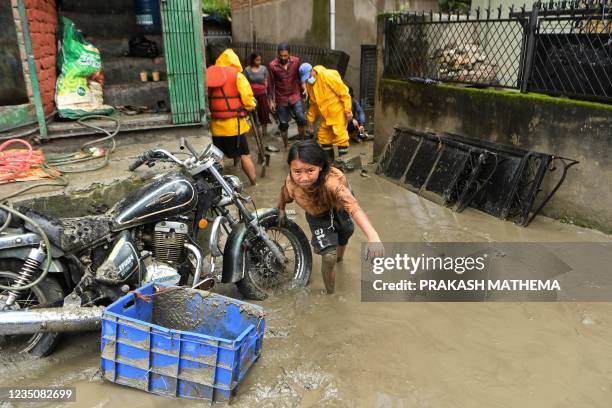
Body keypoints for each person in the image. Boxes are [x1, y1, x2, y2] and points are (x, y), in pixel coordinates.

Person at [277, 140, 384, 294]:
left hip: (338, 205)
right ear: (290, 169)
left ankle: (340, 258)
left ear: (320, 167)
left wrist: (373, 236)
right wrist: (281, 209)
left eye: (310, 170)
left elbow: (353, 208)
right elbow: (284, 194)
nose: (303, 177)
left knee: (345, 232)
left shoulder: (332, 183)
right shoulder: (291, 183)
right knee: (328, 257)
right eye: (297, 171)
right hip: (317, 214)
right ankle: (330, 293)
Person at [207, 48, 257, 185]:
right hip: (234, 126)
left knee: (218, 157)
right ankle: (254, 183)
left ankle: (218, 185)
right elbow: (247, 99)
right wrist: (251, 106)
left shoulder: (210, 74)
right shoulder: (237, 76)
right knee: (245, 155)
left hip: (216, 126)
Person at [299, 62, 352, 160]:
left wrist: (348, 110)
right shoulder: (310, 85)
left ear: (313, 71)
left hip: (337, 113)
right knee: (323, 138)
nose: (308, 79)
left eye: (309, 75)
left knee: (341, 137)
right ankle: (330, 164)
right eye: (306, 78)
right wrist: (310, 121)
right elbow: (314, 105)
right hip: (326, 116)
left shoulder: (328, 75)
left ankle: (344, 164)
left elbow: (344, 93)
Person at [268, 43, 308, 147]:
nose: (283, 58)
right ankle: (286, 145)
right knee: (283, 124)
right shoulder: (272, 66)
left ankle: (303, 142)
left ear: (289, 54)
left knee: (301, 118)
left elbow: (300, 77)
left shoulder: (296, 61)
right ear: (278, 54)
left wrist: (304, 87)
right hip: (281, 98)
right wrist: (271, 101)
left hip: (295, 95)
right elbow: (271, 84)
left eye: (285, 56)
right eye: (281, 55)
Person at [244, 52, 272, 137]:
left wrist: (269, 97)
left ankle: (264, 131)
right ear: (252, 60)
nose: (259, 62)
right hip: (252, 95)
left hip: (262, 94)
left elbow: (267, 82)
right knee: (253, 113)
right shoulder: (247, 70)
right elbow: (245, 83)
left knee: (264, 112)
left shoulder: (264, 69)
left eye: (260, 60)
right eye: (257, 60)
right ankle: (256, 130)